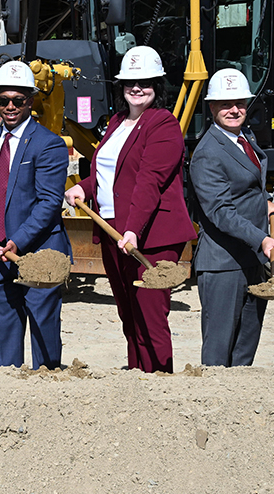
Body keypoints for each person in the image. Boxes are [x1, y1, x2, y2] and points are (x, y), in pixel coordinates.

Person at [63, 46, 196, 373]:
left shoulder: (163, 124)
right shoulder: (118, 122)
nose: (137, 88)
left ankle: (160, 380)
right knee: (129, 315)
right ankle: (137, 379)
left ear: (158, 84)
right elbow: (110, 174)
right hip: (113, 232)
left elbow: (149, 181)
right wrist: (85, 186)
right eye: (130, 82)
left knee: (151, 315)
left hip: (150, 238)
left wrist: (133, 230)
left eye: (146, 82)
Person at [0, 61, 70, 370]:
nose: (9, 107)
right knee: (6, 318)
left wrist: (18, 242)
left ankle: (46, 379)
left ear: (30, 101)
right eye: (3, 100)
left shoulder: (50, 145)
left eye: (17, 100)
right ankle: (8, 382)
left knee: (42, 319)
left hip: (38, 251)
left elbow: (48, 203)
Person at [189, 69, 274, 367]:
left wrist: (265, 202)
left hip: (251, 258)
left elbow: (246, 185)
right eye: (225, 104)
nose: (234, 110)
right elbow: (220, 211)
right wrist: (262, 238)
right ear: (212, 107)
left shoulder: (243, 137)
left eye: (239, 103)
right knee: (219, 350)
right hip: (223, 264)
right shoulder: (207, 153)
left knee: (245, 345)